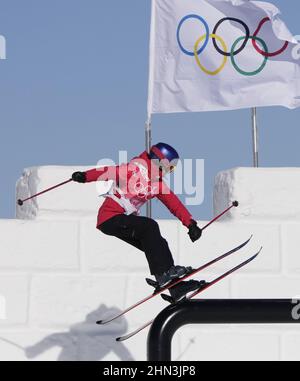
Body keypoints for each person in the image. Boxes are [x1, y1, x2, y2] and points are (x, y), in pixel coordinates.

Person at [72, 143, 203, 301]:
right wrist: (85, 176)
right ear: (158, 161)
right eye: (169, 167)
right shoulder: (134, 169)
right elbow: (108, 171)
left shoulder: (157, 183)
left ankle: (175, 288)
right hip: (110, 217)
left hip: (124, 220)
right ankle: (164, 276)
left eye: (172, 169)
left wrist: (191, 224)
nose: (169, 172)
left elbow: (173, 203)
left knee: (158, 244)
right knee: (150, 226)